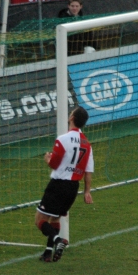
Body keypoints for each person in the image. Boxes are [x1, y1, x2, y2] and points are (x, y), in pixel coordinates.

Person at [35, 106, 94, 262]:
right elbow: (89, 171)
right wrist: (87, 191)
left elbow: (54, 164)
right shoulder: (87, 144)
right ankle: (48, 253)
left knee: (39, 220)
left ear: (71, 118)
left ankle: (58, 241)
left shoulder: (63, 139)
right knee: (55, 219)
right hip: (73, 188)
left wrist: (48, 159)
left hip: (58, 185)